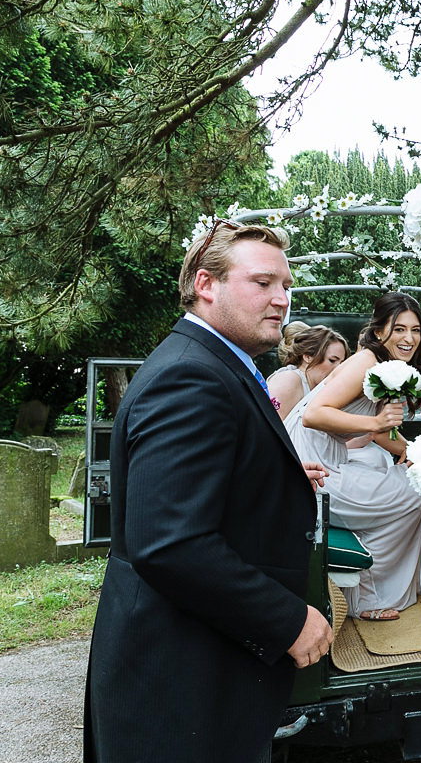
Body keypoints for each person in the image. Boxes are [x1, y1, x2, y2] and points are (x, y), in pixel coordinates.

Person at [84, 220, 333, 763]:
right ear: (205, 284)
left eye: (285, 287)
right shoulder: (189, 377)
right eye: (262, 283)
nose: (281, 300)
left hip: (204, 666)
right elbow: (170, 541)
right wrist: (286, 619)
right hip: (179, 684)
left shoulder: (218, 366)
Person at [293, 292, 421, 621]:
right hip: (312, 470)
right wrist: (373, 423)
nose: (408, 338)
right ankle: (368, 597)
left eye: (415, 330)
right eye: (398, 329)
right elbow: (313, 414)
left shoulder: (389, 367)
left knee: (416, 483)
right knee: (417, 492)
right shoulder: (366, 361)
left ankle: (364, 594)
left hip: (334, 461)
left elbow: (384, 435)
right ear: (380, 329)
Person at [266, 321, 349, 419]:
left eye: (341, 363)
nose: (338, 368)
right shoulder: (288, 380)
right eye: (332, 360)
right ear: (307, 356)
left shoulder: (319, 388)